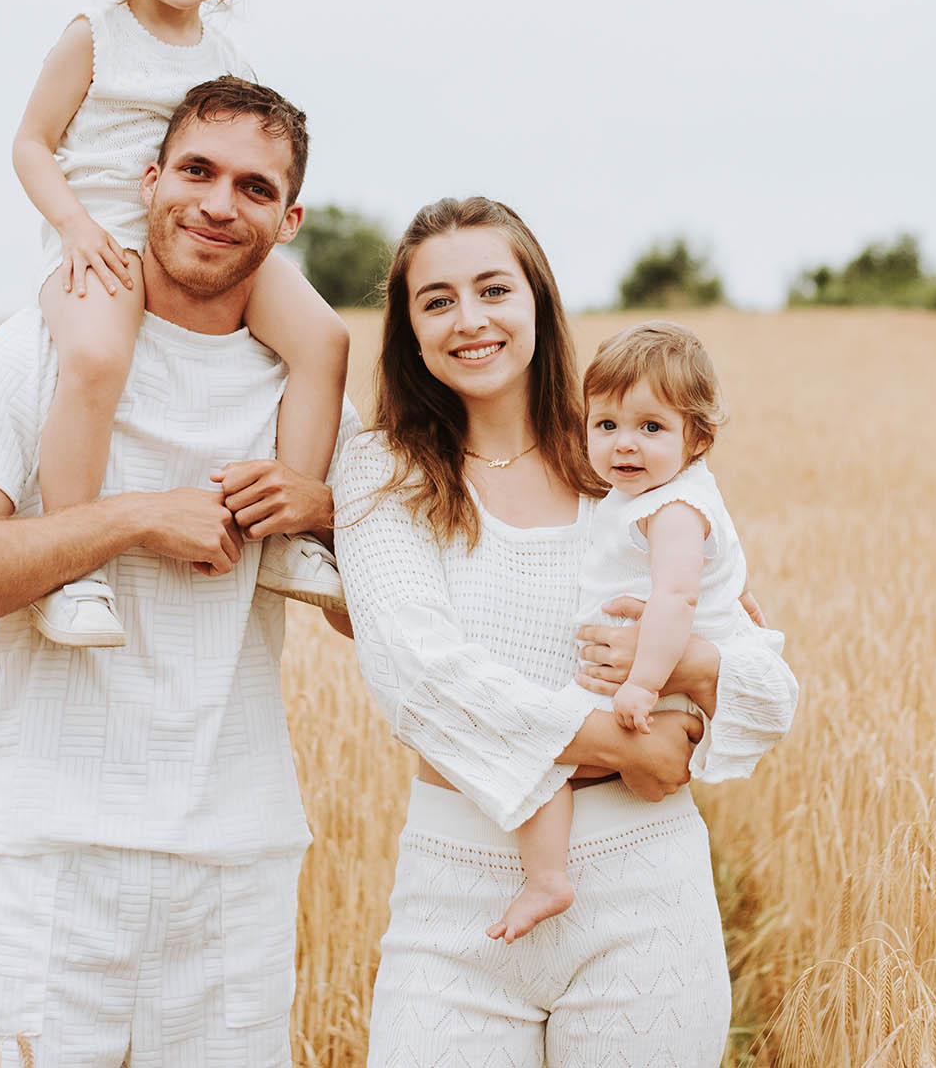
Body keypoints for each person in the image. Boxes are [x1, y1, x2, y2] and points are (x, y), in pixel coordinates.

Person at [0, 78, 350, 1068]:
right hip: (41, 865)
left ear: (289, 217)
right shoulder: (41, 354)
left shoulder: (305, 402)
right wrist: (133, 517)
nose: (219, 204)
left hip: (234, 868)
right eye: (196, 170)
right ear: (147, 179)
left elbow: (383, 606)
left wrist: (328, 510)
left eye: (253, 187)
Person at [331, 196, 799, 1064]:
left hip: (643, 889)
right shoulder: (382, 470)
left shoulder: (631, 463)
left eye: (493, 289)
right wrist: (632, 746)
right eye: (436, 300)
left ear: (539, 302)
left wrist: (697, 661)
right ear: (409, 330)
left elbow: (768, 687)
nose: (469, 319)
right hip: (456, 896)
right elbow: (419, 677)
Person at [8, 0, 348, 646]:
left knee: (324, 339)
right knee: (94, 357)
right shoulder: (93, 37)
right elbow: (30, 142)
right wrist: (76, 227)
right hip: (110, 243)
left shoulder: (231, 60)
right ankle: (71, 569)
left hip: (204, 241)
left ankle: (286, 536)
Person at [487, 319, 778, 943]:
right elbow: (717, 563)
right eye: (607, 425)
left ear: (696, 438)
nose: (625, 445)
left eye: (651, 428)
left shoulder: (668, 509)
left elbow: (677, 594)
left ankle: (547, 878)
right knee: (619, 767)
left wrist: (644, 684)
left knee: (540, 754)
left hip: (648, 665)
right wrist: (742, 589)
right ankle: (645, 775)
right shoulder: (671, 491)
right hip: (653, 661)